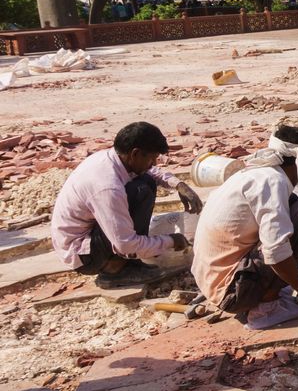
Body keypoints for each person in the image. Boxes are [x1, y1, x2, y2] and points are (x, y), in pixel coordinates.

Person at [191, 126, 298, 317]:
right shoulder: (272, 181)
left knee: (294, 205)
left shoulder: (255, 172)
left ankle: (269, 293)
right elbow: (276, 251)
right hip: (232, 293)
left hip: (214, 283)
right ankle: (266, 306)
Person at [51, 121, 203, 287]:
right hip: (83, 254)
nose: (154, 164)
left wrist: (177, 184)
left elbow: (151, 171)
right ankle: (114, 270)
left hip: (88, 235)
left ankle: (129, 263)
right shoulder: (107, 187)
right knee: (141, 190)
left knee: (145, 181)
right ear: (135, 154)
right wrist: (171, 241)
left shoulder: (112, 157)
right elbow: (125, 244)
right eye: (152, 158)